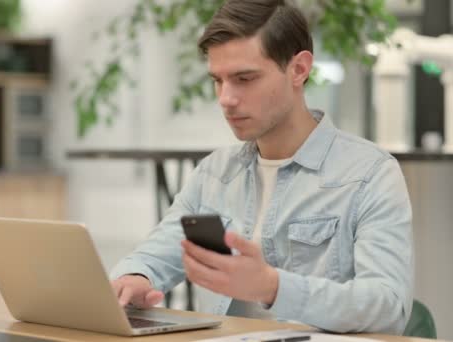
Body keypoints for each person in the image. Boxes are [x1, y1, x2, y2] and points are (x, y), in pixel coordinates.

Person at [110, 0, 413, 334]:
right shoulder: (214, 173)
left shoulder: (370, 174)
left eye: (244, 78)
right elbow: (155, 255)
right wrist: (134, 277)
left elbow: (387, 306)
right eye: (218, 80)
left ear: (299, 69)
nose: (226, 98)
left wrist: (273, 287)